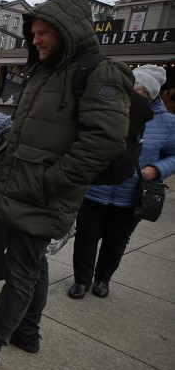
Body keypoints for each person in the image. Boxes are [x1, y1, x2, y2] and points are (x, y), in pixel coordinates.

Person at [0, 0, 135, 370]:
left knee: (20, 269)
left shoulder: (100, 72)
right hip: (21, 187)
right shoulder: (47, 71)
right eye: (33, 33)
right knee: (31, 264)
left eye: (43, 32)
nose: (36, 40)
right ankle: (28, 332)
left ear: (67, 30)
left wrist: (53, 183)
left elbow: (103, 142)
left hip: (43, 192)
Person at [69, 65, 174, 299]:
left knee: (116, 242)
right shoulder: (109, 110)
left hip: (131, 193)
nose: (134, 95)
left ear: (152, 94)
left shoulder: (168, 122)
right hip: (96, 188)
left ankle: (103, 279)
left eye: (141, 92)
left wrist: (157, 169)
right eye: (131, 89)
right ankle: (81, 280)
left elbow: (173, 155)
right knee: (86, 237)